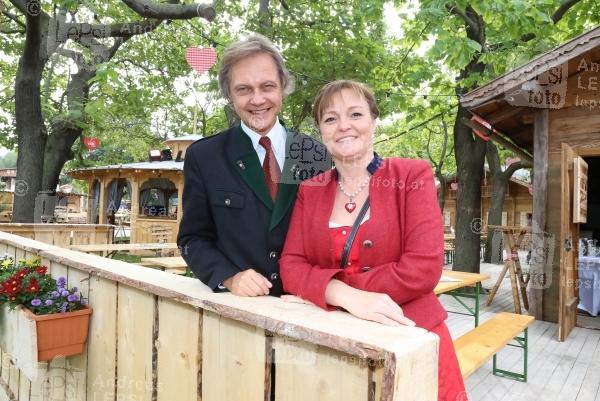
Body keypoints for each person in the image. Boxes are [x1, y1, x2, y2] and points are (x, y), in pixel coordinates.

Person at [279, 80, 467, 401]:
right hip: (337, 345)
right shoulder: (310, 189)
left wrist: (323, 291)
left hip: (409, 337)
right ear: (321, 131)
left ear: (373, 121)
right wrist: (341, 294)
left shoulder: (411, 176)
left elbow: (423, 268)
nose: (344, 126)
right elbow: (291, 265)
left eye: (355, 114)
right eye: (330, 118)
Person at [177, 34, 330, 297]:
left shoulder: (316, 154)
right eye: (244, 89)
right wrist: (230, 276)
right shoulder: (204, 156)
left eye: (267, 86)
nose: (257, 100)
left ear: (283, 86)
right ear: (229, 95)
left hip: (304, 307)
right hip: (237, 313)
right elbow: (192, 240)